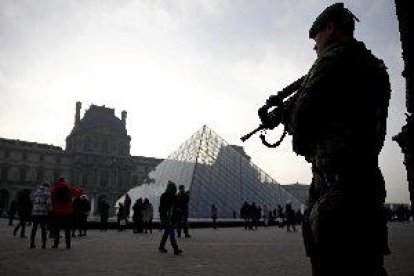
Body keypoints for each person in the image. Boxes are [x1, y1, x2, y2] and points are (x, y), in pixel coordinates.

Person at [267, 3, 391, 275]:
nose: (315, 47)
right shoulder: (375, 66)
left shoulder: (333, 59)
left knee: (333, 265)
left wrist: (288, 118)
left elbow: (303, 122)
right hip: (367, 183)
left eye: (316, 38)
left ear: (330, 28)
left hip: (337, 189)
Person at [50, 177, 83, 249]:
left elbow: (51, 198)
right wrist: (80, 189)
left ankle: (56, 243)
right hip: (67, 211)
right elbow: (78, 193)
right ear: (65, 181)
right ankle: (68, 244)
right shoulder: (68, 187)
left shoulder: (54, 187)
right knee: (67, 229)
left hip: (57, 211)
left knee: (57, 228)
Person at [158, 181, 182, 255]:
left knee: (167, 232)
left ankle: (161, 247)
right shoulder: (172, 196)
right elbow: (176, 206)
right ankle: (175, 248)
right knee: (171, 233)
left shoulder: (163, 195)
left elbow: (161, 208)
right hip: (170, 217)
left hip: (165, 217)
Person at [30, 182, 52, 249]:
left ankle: (32, 243)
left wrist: (35, 206)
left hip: (35, 212)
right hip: (43, 212)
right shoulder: (47, 192)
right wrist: (50, 209)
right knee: (43, 228)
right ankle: (44, 244)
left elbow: (32, 200)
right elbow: (49, 203)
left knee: (34, 228)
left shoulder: (36, 191)